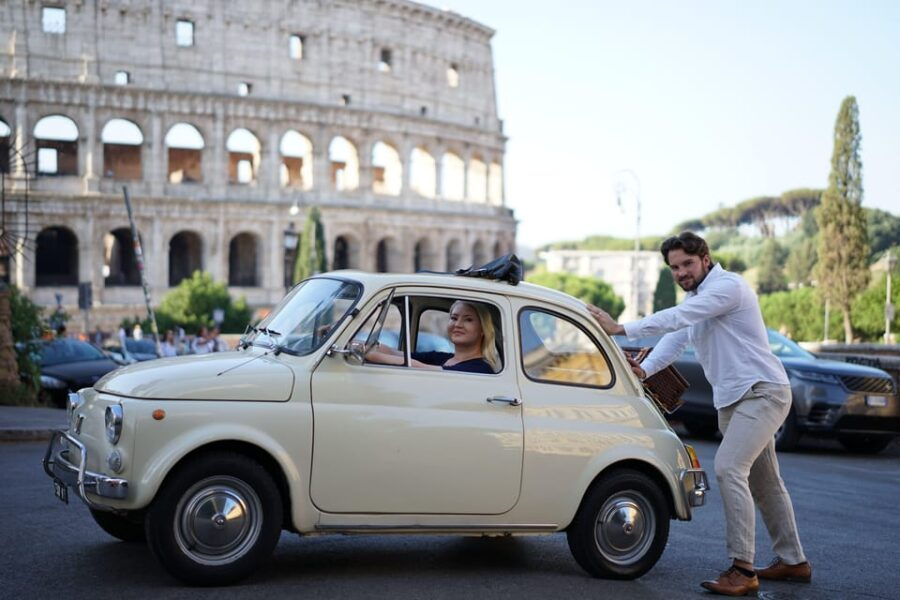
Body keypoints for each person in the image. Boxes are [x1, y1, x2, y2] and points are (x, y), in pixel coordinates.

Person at [586, 232, 809, 597]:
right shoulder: (698, 299)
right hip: (733, 399)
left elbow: (680, 316)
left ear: (705, 258)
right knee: (765, 483)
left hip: (763, 391)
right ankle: (793, 562)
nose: (681, 272)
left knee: (728, 468)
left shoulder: (728, 288)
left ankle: (742, 568)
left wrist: (621, 328)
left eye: (687, 264)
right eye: (674, 267)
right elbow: (676, 336)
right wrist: (645, 369)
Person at [366, 300, 499, 374]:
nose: (457, 324)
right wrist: (362, 346)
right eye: (454, 318)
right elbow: (395, 353)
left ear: (483, 329)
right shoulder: (443, 358)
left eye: (468, 320)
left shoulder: (480, 368)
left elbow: (417, 366)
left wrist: (369, 355)